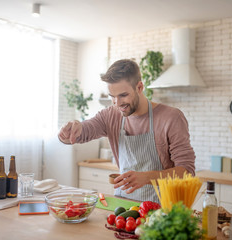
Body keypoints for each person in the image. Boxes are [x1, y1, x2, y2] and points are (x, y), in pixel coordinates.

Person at [58, 59, 195, 202]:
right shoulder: (110, 115)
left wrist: (147, 177)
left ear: (140, 87)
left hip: (163, 208)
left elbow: (187, 171)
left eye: (123, 95)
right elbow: (84, 130)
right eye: (112, 97)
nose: (117, 103)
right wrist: (69, 131)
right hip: (124, 205)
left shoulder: (171, 117)